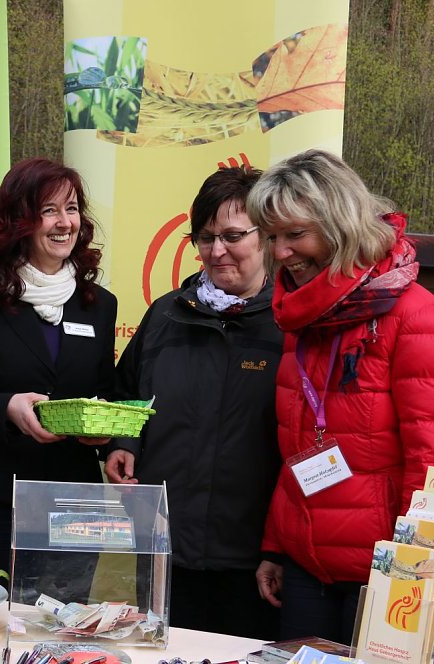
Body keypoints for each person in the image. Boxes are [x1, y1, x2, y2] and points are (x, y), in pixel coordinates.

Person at [246, 149, 434, 642]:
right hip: (308, 568)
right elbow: (299, 449)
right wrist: (277, 546)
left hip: (388, 575)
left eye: (295, 235)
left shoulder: (420, 321)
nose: (280, 252)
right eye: (271, 237)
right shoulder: (305, 321)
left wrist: (416, 577)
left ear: (340, 225)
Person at [105, 166, 283, 639]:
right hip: (164, 549)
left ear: (265, 236)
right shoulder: (165, 315)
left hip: (251, 559)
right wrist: (124, 442)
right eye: (204, 238)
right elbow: (127, 395)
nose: (217, 251)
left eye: (231, 236)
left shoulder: (290, 324)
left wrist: (281, 547)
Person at [0, 158, 117, 577]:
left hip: (73, 506)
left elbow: (107, 390)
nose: (64, 222)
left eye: (71, 209)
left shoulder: (99, 305)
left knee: (64, 630)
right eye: (48, 210)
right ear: (19, 220)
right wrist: (6, 408)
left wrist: (103, 431)